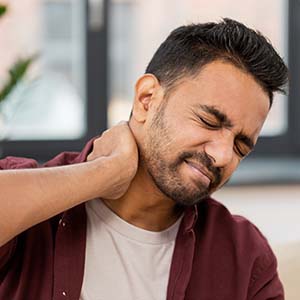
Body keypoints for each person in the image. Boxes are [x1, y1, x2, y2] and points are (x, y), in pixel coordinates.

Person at [0, 18, 288, 300]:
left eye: (240, 146)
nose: (223, 156)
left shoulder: (246, 257)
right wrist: (105, 172)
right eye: (209, 121)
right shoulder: (23, 205)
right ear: (147, 99)